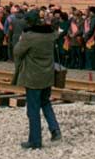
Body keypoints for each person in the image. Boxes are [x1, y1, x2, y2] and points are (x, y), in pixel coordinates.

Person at [13, 10, 61, 149]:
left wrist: (21, 39)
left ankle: (35, 141)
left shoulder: (29, 37)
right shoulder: (50, 34)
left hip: (33, 77)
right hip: (48, 75)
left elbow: (17, 52)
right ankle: (55, 129)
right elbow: (56, 33)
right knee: (45, 103)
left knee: (33, 110)